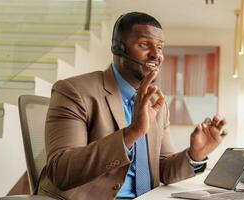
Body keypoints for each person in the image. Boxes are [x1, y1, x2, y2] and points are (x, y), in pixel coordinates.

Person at [37, 12, 227, 200]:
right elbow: (61, 172)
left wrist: (195, 155)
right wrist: (133, 132)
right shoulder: (74, 91)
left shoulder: (157, 103)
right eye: (144, 45)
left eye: (160, 47)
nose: (156, 54)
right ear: (118, 48)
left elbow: (162, 169)